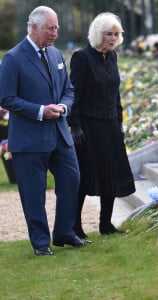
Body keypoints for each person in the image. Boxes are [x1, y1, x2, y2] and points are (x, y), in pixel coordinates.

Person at [0, 6, 87, 256]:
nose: (55, 32)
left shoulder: (57, 55)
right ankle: (40, 243)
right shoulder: (13, 58)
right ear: (34, 27)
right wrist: (40, 111)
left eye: (56, 27)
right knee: (33, 194)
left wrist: (62, 106)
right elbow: (6, 98)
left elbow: (69, 91)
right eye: (51, 28)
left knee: (72, 180)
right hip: (29, 139)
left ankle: (64, 233)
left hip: (60, 134)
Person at [68, 12, 136, 238]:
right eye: (109, 34)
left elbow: (115, 93)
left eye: (116, 34)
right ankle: (75, 227)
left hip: (110, 126)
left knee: (111, 175)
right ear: (98, 34)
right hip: (88, 127)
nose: (113, 38)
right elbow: (74, 95)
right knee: (85, 177)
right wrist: (75, 126)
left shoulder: (113, 57)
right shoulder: (82, 58)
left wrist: (120, 121)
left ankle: (105, 224)